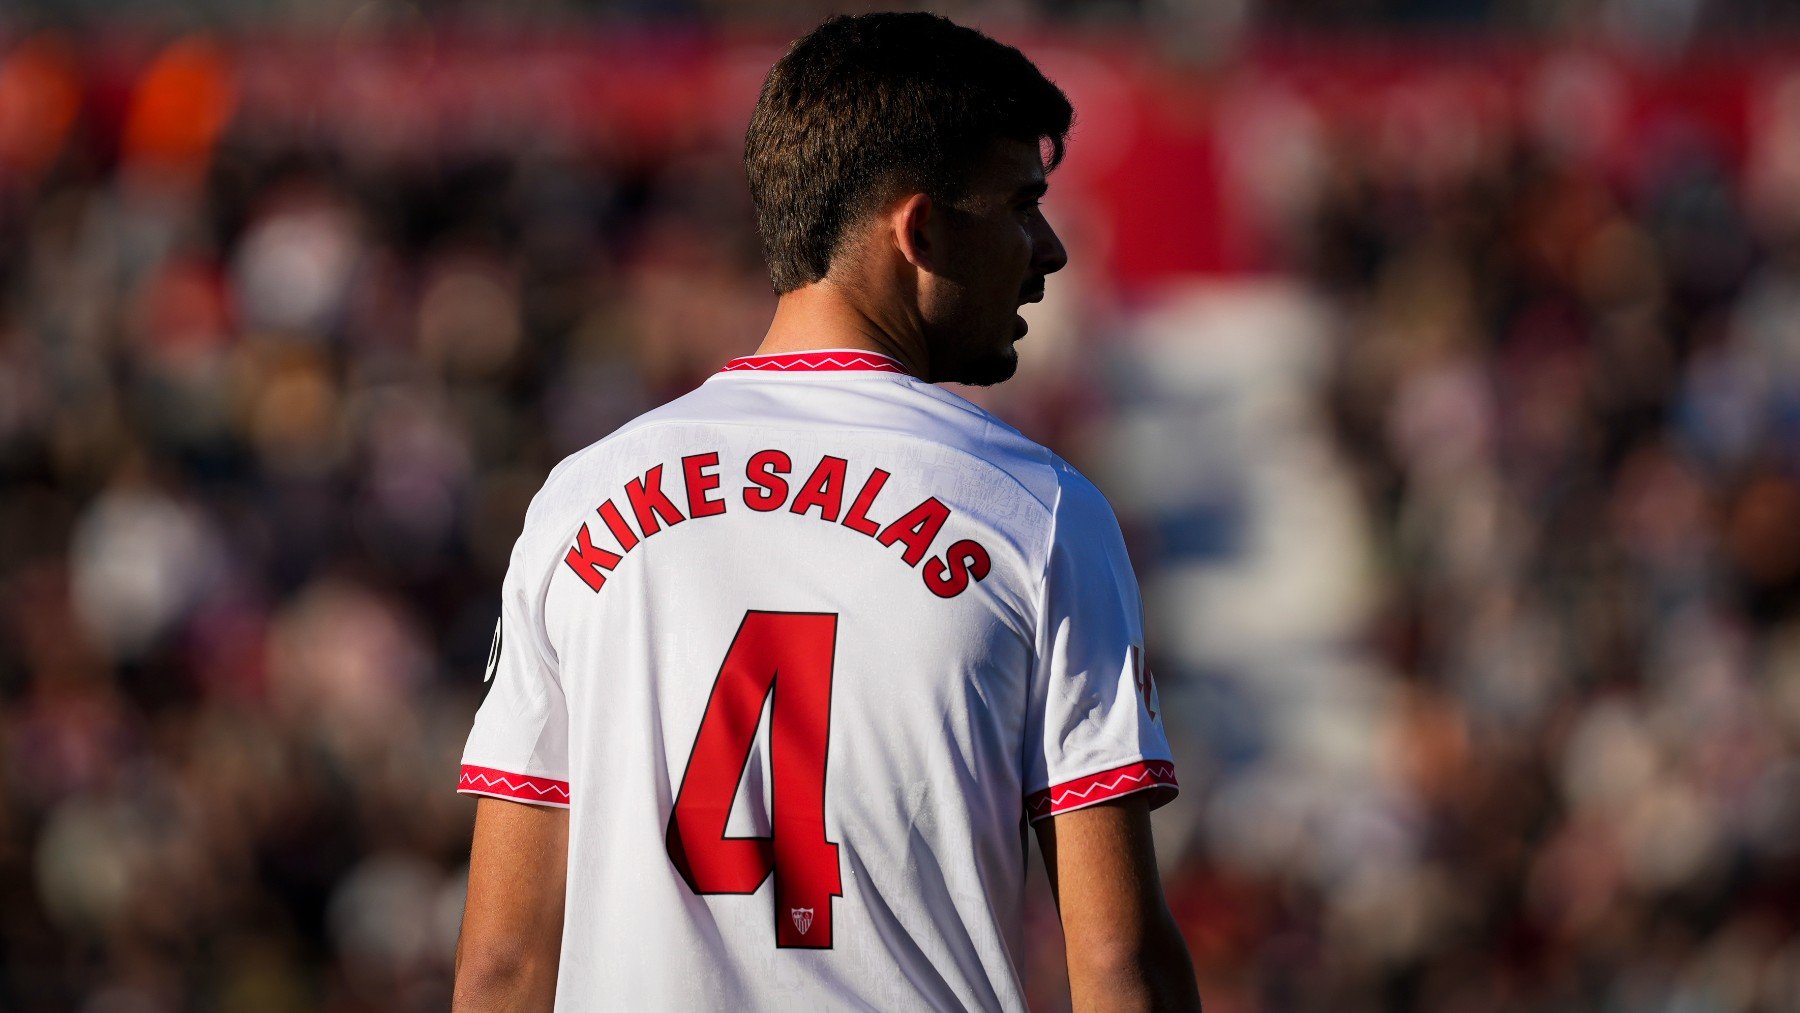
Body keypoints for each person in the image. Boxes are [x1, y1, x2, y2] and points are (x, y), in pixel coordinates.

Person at [451, 12, 1201, 1011]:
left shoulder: (577, 501)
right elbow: (1116, 962)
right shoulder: (1038, 512)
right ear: (922, 228)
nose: (1050, 250)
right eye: (1023, 204)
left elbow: (505, 960)